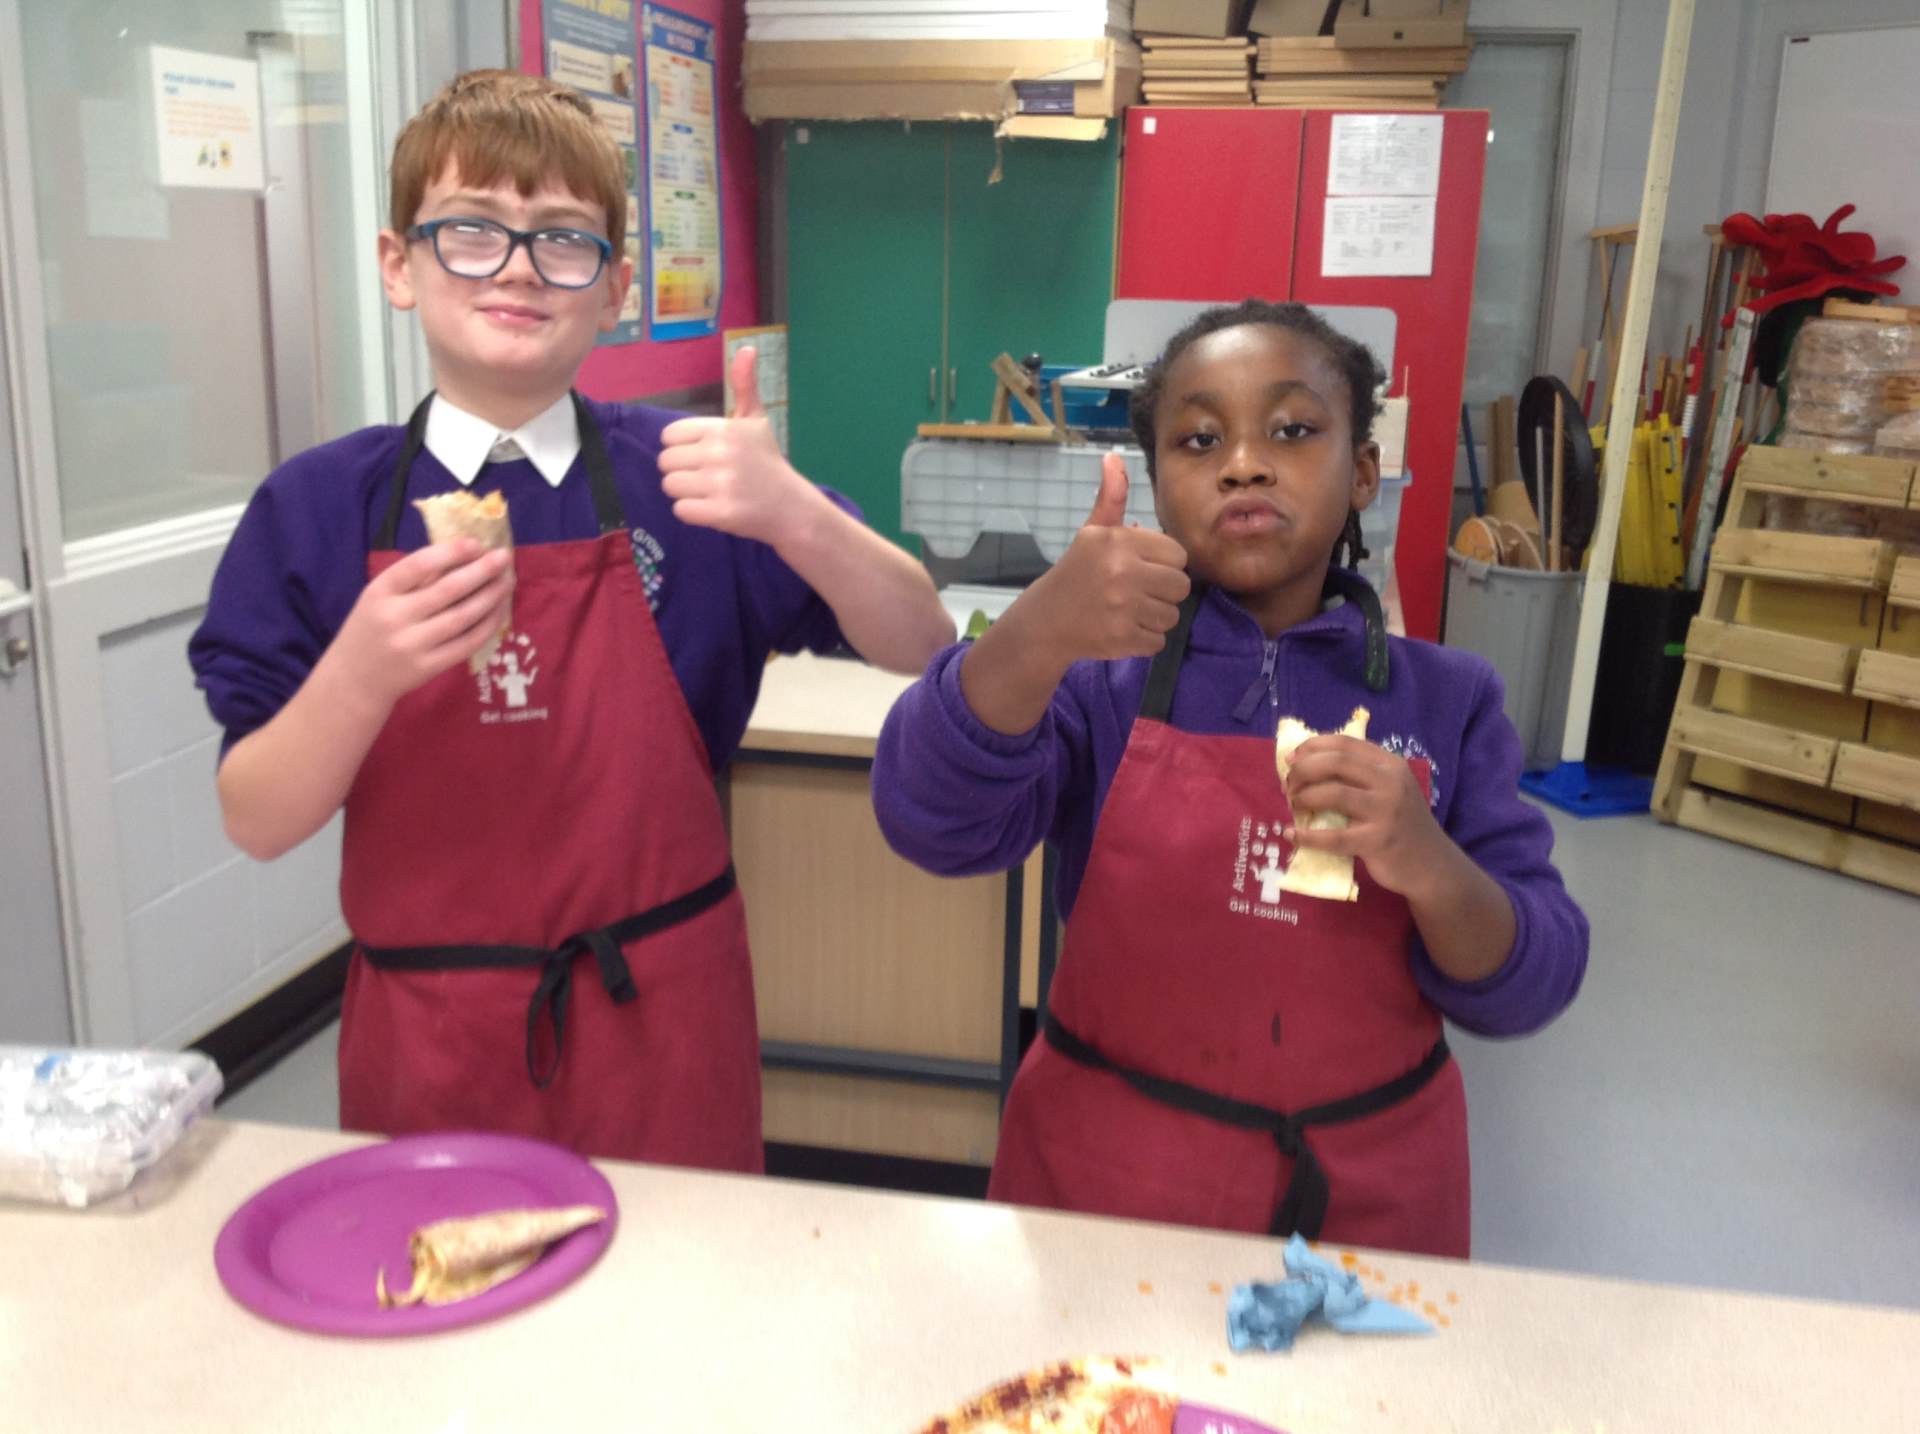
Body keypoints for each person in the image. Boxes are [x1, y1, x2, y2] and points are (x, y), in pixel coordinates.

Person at [188, 70, 953, 1172]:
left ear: (615, 288)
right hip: (430, 1042)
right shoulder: (313, 512)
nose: (515, 267)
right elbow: (257, 821)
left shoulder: (693, 480)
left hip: (665, 1026)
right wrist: (361, 671)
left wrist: (799, 517)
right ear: (399, 265)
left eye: (561, 239)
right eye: (471, 231)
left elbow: (923, 642)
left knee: (677, 1278)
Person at [872, 300, 1587, 1256]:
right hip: (1110, 1179)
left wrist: (1429, 863)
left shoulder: (1451, 702)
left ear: (1363, 472)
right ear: (1157, 486)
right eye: (1200, 440)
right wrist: (1036, 631)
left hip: (1364, 1201)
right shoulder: (1099, 682)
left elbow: (1532, 980)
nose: (1244, 463)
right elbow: (928, 820)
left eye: (1292, 430)